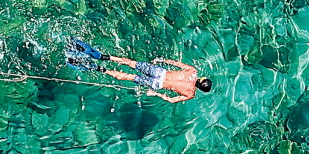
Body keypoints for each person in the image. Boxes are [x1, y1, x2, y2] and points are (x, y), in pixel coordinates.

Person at [69, 39, 213, 103]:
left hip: (159, 72)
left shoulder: (192, 71)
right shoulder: (190, 93)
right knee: (130, 77)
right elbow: (171, 100)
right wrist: (154, 93)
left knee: (131, 63)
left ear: (201, 80)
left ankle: (103, 57)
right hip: (157, 84)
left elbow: (176, 63)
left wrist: (161, 60)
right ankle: (100, 69)